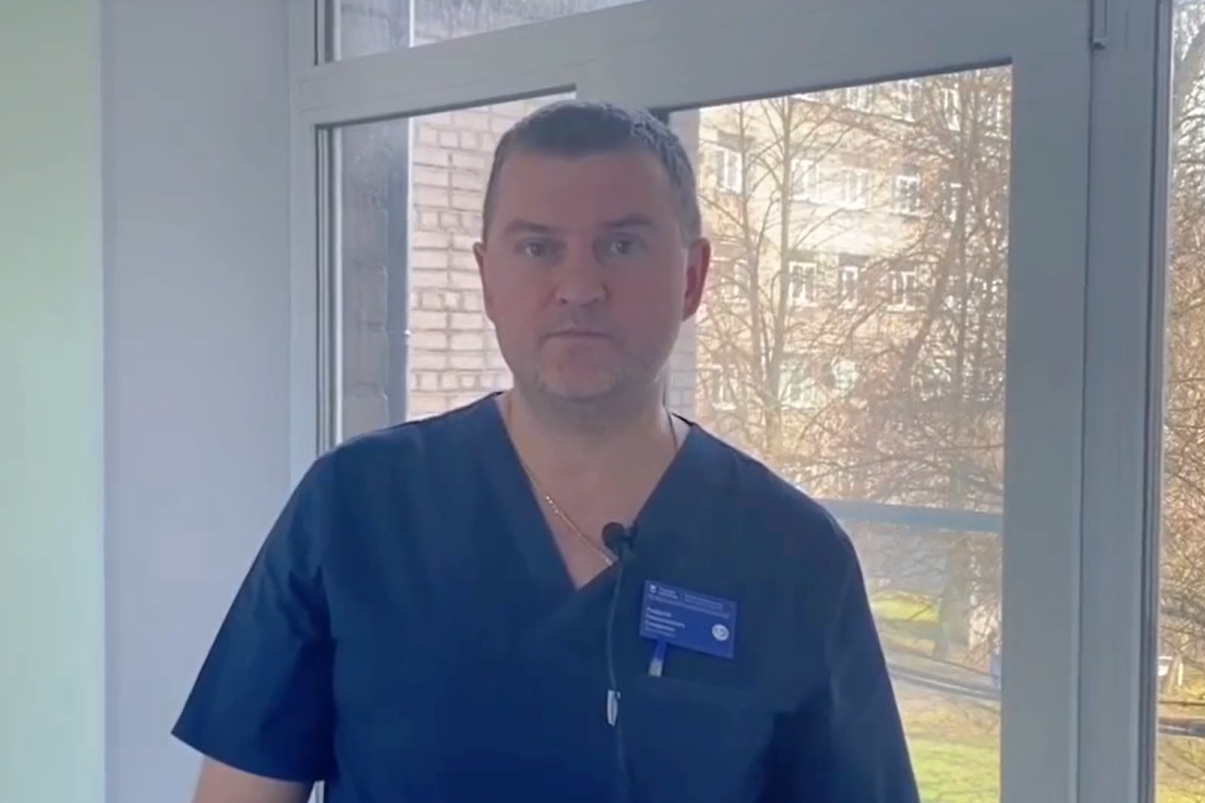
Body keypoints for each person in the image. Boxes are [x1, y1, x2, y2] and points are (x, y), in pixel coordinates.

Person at [174, 100, 921, 803]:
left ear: (692, 277)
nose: (579, 286)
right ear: (486, 278)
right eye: (539, 247)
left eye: (621, 246)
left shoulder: (793, 555)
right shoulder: (354, 508)